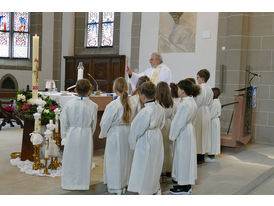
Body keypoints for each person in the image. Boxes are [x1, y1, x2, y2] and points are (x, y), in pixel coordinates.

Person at [127, 81, 165, 195]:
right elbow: (162, 124)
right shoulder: (160, 107)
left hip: (146, 138)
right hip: (157, 136)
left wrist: (132, 144)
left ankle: (145, 190)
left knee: (144, 165)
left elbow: (136, 129)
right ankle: (155, 187)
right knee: (155, 164)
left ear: (142, 96)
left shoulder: (145, 111)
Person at [99, 77, 135, 195]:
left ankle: (115, 186)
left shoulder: (113, 105)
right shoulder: (132, 103)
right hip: (128, 132)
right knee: (126, 159)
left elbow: (105, 122)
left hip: (116, 134)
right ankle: (125, 183)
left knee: (115, 160)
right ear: (126, 88)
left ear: (114, 89)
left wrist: (104, 132)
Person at [60, 79, 98, 190]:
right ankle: (82, 184)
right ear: (89, 90)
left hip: (71, 134)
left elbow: (63, 121)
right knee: (84, 159)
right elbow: (94, 124)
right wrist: (89, 133)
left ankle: (69, 183)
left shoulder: (68, 104)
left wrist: (64, 136)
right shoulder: (93, 106)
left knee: (70, 159)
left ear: (76, 90)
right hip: (86, 134)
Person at [169, 79, 199, 195]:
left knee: (183, 158)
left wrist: (172, 135)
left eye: (179, 88)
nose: (177, 90)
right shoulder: (191, 101)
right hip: (189, 130)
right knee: (187, 158)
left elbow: (178, 122)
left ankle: (183, 187)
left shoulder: (184, 104)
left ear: (183, 91)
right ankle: (186, 184)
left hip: (183, 132)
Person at [193, 69, 213, 164]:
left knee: (198, 134)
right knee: (203, 134)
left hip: (199, 111)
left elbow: (197, 101)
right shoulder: (210, 89)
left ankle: (197, 157)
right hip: (206, 111)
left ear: (202, 78)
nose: (197, 79)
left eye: (197, 77)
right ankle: (201, 156)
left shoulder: (199, 88)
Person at [155, 81, 174, 178]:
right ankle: (169, 169)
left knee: (161, 149)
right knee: (169, 149)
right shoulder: (171, 101)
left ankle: (161, 171)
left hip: (161, 126)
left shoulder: (157, 102)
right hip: (169, 124)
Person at [205, 87, 221, 162]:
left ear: (214, 94)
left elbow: (211, 114)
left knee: (212, 138)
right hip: (214, 121)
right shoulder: (216, 101)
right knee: (213, 138)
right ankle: (211, 155)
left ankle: (211, 156)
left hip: (213, 121)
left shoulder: (214, 103)